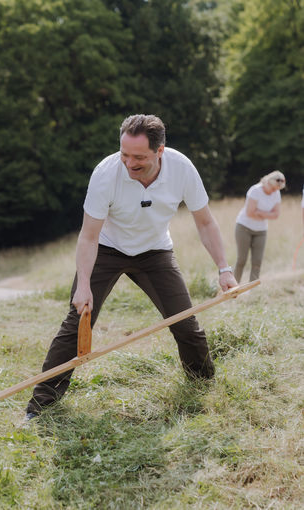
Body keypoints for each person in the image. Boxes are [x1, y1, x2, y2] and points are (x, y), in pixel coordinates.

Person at [26, 114, 237, 419]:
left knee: (186, 324)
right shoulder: (105, 174)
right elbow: (88, 236)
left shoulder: (182, 169)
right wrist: (83, 284)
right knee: (77, 323)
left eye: (138, 157)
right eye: (124, 154)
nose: (129, 163)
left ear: (160, 151)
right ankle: (41, 406)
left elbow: (205, 222)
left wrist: (224, 269)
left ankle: (204, 388)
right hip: (108, 250)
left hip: (155, 253)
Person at [233, 170, 286, 283]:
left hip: (261, 231)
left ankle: (253, 290)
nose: (274, 191)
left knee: (257, 262)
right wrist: (267, 214)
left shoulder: (276, 193)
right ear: (268, 182)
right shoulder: (255, 190)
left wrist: (260, 213)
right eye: (273, 188)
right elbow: (250, 213)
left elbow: (276, 214)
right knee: (241, 260)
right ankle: (233, 289)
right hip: (244, 227)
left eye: (277, 189)